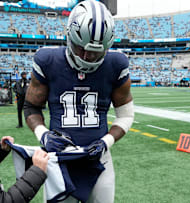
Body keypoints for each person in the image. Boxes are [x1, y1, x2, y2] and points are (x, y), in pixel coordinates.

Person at [23, 1, 134, 202]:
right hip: (59, 160)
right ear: (69, 36)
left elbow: (126, 115)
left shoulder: (116, 64)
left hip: (99, 160)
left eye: (96, 51)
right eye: (81, 47)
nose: (88, 56)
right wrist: (44, 135)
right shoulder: (47, 60)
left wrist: (105, 142)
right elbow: (31, 106)